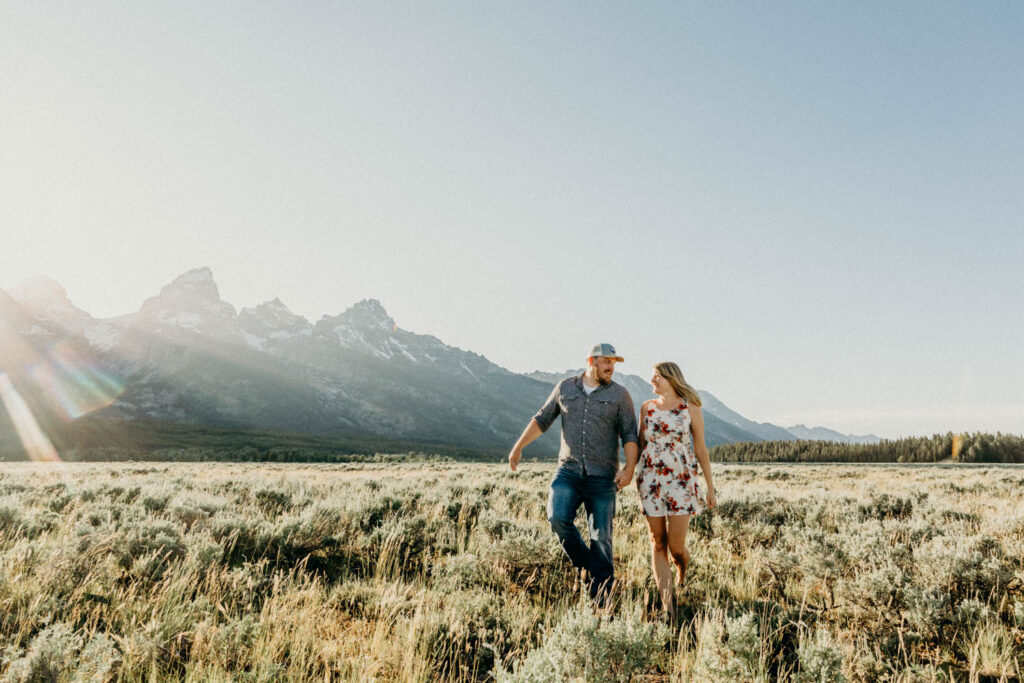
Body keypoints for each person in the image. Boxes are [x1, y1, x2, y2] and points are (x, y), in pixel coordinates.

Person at [508, 343, 639, 605]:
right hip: (568, 471)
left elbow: (630, 435)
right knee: (557, 518)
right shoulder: (565, 387)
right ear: (591, 360)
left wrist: (629, 468)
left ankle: (601, 601)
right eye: (606, 361)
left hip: (603, 478)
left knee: (601, 537)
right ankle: (588, 565)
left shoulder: (620, 395)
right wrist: (518, 447)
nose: (611, 366)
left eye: (614, 362)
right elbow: (542, 420)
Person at [619, 361, 716, 618]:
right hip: (650, 482)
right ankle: (668, 606)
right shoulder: (646, 409)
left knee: (675, 546)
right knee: (657, 542)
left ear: (671, 378)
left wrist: (710, 487)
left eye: (657, 377)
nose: (652, 381)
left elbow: (700, 449)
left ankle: (682, 567)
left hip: (682, 483)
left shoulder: (689, 407)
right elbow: (640, 445)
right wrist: (627, 471)